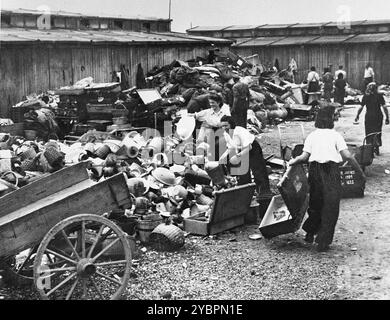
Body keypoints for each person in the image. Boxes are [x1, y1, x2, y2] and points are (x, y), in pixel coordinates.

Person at [287, 105, 366, 252]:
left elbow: (304, 157)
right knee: (331, 206)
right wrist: (359, 171)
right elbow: (347, 156)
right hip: (331, 171)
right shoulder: (335, 135)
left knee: (315, 203)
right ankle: (323, 241)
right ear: (330, 120)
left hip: (315, 170)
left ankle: (310, 232)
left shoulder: (312, 135)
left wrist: (292, 162)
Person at [219, 115, 272, 196]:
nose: (224, 128)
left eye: (226, 125)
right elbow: (230, 147)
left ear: (231, 124)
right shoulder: (226, 134)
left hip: (252, 149)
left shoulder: (239, 131)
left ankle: (264, 193)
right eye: (222, 126)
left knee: (258, 171)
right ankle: (247, 192)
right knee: (243, 173)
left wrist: (238, 156)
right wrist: (223, 157)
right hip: (242, 151)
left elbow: (249, 147)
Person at [190, 93, 230, 160]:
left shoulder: (224, 112)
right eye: (210, 103)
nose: (211, 104)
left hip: (219, 134)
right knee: (205, 127)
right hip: (208, 135)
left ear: (218, 102)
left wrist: (211, 124)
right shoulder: (208, 112)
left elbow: (224, 123)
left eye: (213, 102)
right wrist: (187, 116)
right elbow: (196, 115)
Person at [355, 82, 389, 155]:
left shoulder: (365, 96)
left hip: (369, 116)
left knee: (369, 132)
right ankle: (377, 146)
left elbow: (361, 107)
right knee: (377, 131)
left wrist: (357, 115)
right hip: (378, 115)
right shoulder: (380, 96)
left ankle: (370, 148)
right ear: (376, 88)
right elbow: (384, 107)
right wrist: (387, 117)